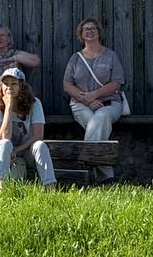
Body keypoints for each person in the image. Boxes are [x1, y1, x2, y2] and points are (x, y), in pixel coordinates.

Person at [62, 17, 126, 183]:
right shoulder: (75, 58)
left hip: (109, 103)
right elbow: (67, 85)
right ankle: (106, 177)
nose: (89, 31)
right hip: (80, 104)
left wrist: (95, 94)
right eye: (86, 29)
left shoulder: (110, 56)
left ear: (99, 32)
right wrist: (87, 100)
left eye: (93, 28)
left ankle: (85, 164)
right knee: (96, 124)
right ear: (81, 34)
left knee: (101, 117)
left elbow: (117, 82)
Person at [0, 68, 55, 189]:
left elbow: (38, 136)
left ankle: (50, 186)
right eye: (6, 84)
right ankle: (1, 188)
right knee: (5, 144)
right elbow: (4, 137)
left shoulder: (35, 103)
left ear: (21, 86)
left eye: (14, 84)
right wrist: (8, 106)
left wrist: (17, 150)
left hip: (26, 150)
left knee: (40, 145)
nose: (9, 87)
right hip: (2, 151)